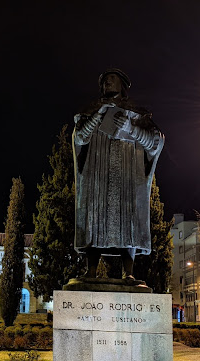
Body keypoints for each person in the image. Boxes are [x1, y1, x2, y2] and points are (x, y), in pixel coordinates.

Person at [72, 68, 164, 279]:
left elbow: (155, 142)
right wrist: (98, 116)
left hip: (127, 172)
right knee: (94, 219)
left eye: (111, 80)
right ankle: (91, 271)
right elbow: (79, 139)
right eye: (104, 81)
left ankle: (129, 273)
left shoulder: (138, 113)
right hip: (97, 172)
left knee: (128, 222)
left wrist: (131, 129)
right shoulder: (91, 110)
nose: (107, 83)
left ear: (122, 85)